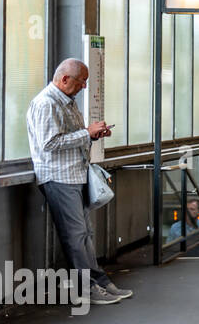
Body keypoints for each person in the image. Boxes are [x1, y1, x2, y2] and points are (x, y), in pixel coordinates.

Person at [26, 59, 132, 306]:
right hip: (58, 177)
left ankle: (99, 282)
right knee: (75, 236)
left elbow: (68, 139)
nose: (85, 87)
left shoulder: (67, 103)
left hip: (74, 174)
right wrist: (87, 132)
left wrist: (92, 135)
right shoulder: (46, 104)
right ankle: (87, 289)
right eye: (81, 81)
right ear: (64, 79)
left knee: (85, 234)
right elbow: (49, 144)